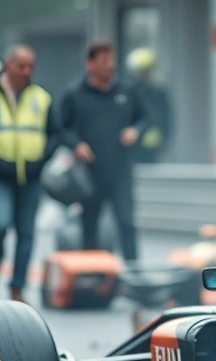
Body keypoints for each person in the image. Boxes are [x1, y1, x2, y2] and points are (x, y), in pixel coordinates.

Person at [0, 45, 59, 301]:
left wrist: (41, 160)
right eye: (21, 66)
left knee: (26, 233)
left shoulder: (42, 98)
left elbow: (55, 133)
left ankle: (17, 288)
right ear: (8, 65)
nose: (27, 71)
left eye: (31, 67)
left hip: (31, 176)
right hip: (0, 175)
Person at [60, 40, 149, 262]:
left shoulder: (127, 90)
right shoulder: (74, 93)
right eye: (104, 61)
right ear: (90, 63)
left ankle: (133, 271)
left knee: (126, 222)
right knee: (89, 225)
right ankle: (93, 273)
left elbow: (145, 117)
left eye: (112, 60)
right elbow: (60, 127)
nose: (110, 65)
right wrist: (76, 144)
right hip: (89, 173)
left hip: (120, 171)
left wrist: (135, 131)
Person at [125, 47, 170, 164]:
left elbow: (166, 118)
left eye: (142, 70)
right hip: (132, 143)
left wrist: (165, 141)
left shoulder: (158, 92)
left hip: (151, 145)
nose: (138, 74)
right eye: (136, 70)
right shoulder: (129, 90)